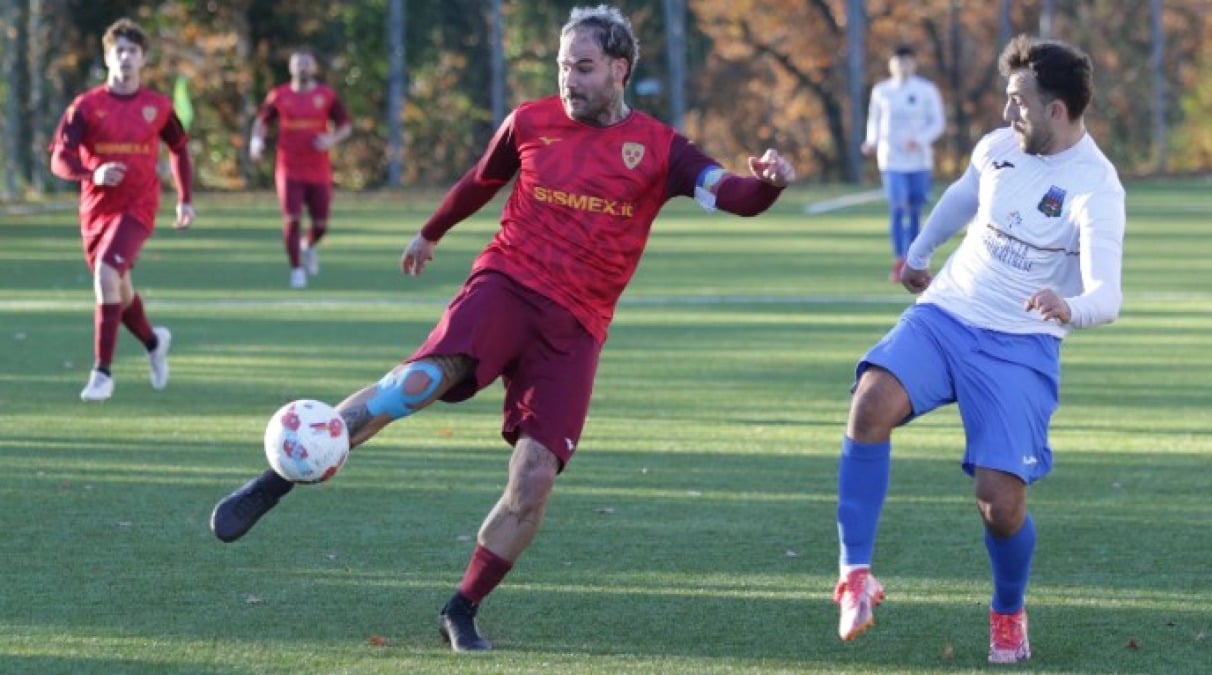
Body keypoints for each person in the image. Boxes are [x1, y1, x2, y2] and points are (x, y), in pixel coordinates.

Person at [212, 4, 795, 653]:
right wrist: (429, 231)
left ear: (619, 69)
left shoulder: (660, 149)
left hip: (575, 326)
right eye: (561, 65)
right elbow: (480, 180)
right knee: (420, 379)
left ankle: (461, 607)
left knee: (534, 479)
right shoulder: (531, 121)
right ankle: (278, 476)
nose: (568, 78)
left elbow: (730, 192)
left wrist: (767, 185)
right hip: (505, 286)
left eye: (583, 66)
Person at [833, 35, 1124, 664]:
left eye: (1020, 102)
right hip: (948, 313)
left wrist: (1069, 306)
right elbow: (964, 195)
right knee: (870, 402)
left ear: (1058, 109)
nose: (1006, 113)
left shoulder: (1096, 188)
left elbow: (1109, 294)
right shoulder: (998, 149)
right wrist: (919, 251)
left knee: (1001, 504)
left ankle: (1008, 611)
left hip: (1020, 347)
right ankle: (855, 575)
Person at [50, 17, 196, 403]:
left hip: (138, 206)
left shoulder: (158, 106)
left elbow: (180, 149)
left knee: (106, 273)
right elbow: (60, 159)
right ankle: (152, 341)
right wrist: (92, 173)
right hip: (95, 211)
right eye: (120, 51)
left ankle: (102, 373)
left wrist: (184, 199)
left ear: (143, 59)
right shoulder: (86, 106)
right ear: (108, 57)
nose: (127, 57)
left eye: (134, 51)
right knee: (117, 286)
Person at [249, 48, 352, 289]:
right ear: (291, 68)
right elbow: (261, 122)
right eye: (298, 64)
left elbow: (345, 125)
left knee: (321, 224)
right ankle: (296, 270)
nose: (303, 68)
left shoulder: (326, 96)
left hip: (318, 169)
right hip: (289, 168)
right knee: (291, 218)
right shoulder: (279, 96)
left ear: (314, 68)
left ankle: (308, 246)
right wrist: (256, 142)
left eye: (307, 64)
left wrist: (330, 139)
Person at [861, 43, 945, 282]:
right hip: (891, 159)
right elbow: (874, 120)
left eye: (907, 60)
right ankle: (899, 259)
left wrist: (919, 140)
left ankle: (914, 258)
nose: (902, 65)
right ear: (891, 64)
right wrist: (871, 141)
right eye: (898, 61)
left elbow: (937, 123)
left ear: (914, 63)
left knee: (915, 208)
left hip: (919, 161)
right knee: (898, 207)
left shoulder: (926, 90)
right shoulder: (882, 91)